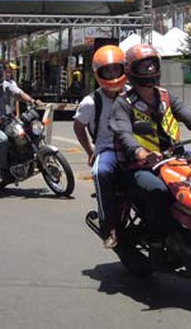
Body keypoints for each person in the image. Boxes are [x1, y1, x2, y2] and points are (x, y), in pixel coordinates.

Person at [109, 44, 191, 264]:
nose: (150, 70)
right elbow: (123, 134)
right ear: (131, 70)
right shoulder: (123, 103)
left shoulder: (166, 97)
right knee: (159, 192)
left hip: (173, 159)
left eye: (153, 64)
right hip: (139, 166)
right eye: (144, 65)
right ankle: (158, 243)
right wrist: (140, 152)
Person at [73, 45, 128, 248]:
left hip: (137, 149)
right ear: (99, 73)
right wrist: (90, 150)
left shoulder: (132, 94)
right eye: (107, 70)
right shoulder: (90, 101)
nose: (113, 74)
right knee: (101, 173)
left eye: (116, 69)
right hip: (107, 149)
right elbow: (78, 126)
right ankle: (109, 226)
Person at [0, 59, 44, 175]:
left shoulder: (6, 85)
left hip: (8, 120)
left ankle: (27, 159)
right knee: (2, 140)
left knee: (27, 132)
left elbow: (19, 94)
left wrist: (33, 101)